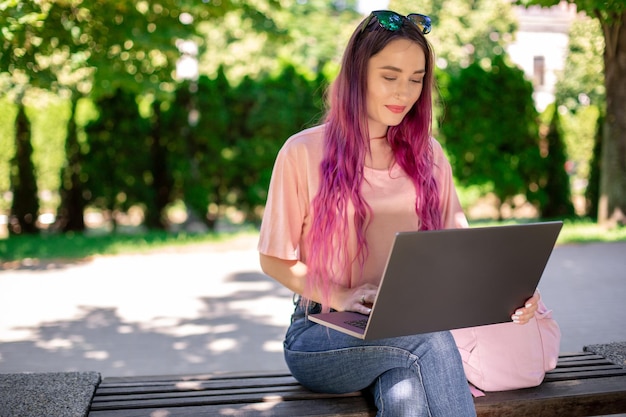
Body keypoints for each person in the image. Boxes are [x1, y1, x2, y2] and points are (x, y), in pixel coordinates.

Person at [258, 10, 539, 416]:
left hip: (407, 330)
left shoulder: (429, 156)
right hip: (321, 333)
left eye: (416, 78)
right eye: (389, 76)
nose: (404, 92)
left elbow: (459, 251)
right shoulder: (302, 152)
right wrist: (341, 295)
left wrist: (511, 296)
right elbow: (273, 258)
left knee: (407, 388)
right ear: (358, 76)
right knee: (425, 341)